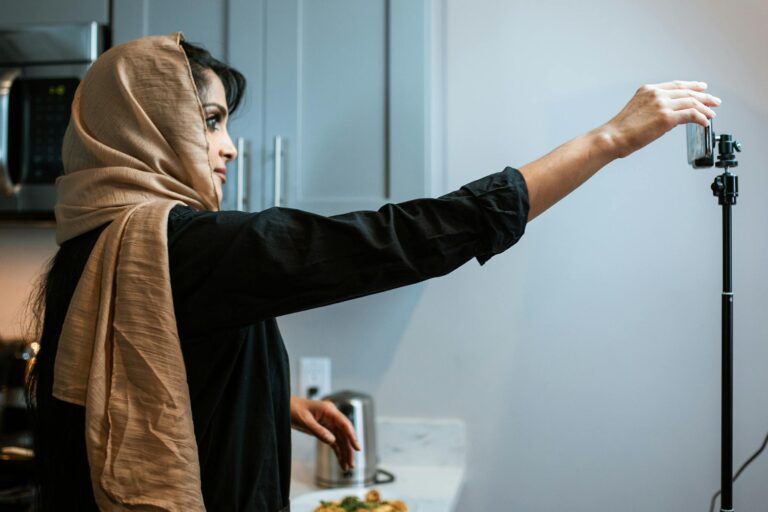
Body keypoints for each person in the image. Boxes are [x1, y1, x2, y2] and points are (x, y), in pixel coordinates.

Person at [25, 33, 719, 512]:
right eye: (209, 121)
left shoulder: (96, 245)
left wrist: (275, 403)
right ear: (145, 124)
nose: (230, 148)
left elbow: (154, 376)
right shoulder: (180, 247)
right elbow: (403, 239)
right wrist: (607, 141)